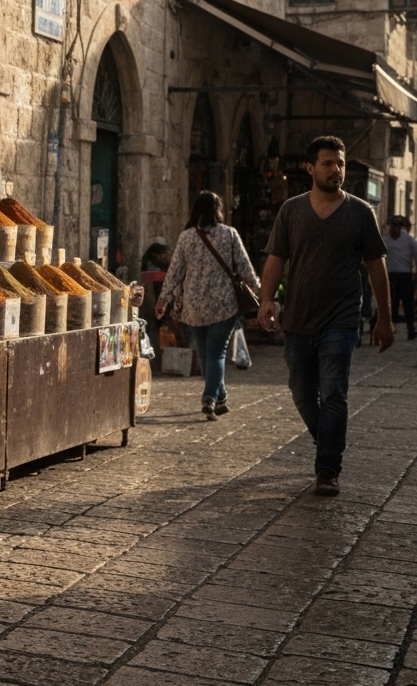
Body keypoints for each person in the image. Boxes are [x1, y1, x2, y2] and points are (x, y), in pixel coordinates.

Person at [259, 135, 393, 498]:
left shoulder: (360, 213)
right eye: (328, 163)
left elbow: (375, 267)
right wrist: (265, 300)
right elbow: (275, 259)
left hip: (342, 319)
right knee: (302, 393)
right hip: (299, 320)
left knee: (333, 392)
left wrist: (385, 317)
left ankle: (328, 467)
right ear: (310, 168)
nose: (336, 170)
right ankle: (329, 441)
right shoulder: (291, 210)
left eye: (340, 164)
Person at [155, 191, 259, 421]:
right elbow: (246, 269)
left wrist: (164, 299)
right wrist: (261, 291)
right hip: (224, 307)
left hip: (194, 307)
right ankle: (216, 396)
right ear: (218, 210)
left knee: (207, 354)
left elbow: (174, 272)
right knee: (214, 353)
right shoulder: (230, 235)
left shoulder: (186, 238)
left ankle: (211, 397)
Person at [383, 214, 417, 341]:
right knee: (392, 302)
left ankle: (410, 329)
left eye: (398, 226)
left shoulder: (408, 239)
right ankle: (391, 328)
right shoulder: (386, 240)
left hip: (405, 274)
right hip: (391, 274)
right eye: (393, 226)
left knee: (408, 303)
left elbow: (416, 253)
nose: (395, 228)